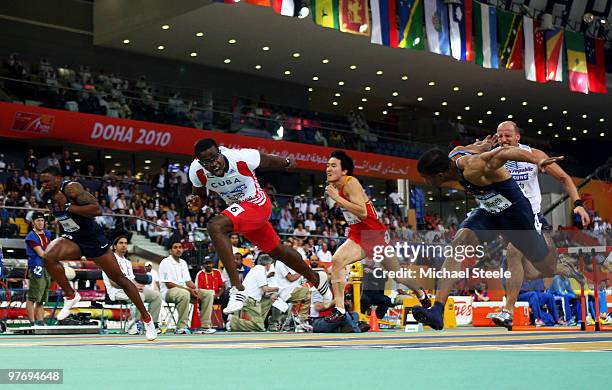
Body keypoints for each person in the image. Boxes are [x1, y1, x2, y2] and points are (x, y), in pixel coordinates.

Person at [410, 135, 563, 330]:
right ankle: (437, 311)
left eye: (426, 178)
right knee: (459, 242)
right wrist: (485, 145)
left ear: (440, 175)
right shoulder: (455, 155)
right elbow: (477, 146)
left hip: (516, 212)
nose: (425, 181)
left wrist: (538, 160)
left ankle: (554, 264)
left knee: (545, 267)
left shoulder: (474, 167)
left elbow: (505, 152)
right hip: (491, 209)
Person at [187, 138, 331, 314]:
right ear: (200, 162)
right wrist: (197, 203)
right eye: (207, 162)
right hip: (241, 214)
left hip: (257, 203)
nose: (214, 164)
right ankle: (317, 278)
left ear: (220, 152)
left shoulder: (240, 158)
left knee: (215, 226)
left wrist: (287, 162)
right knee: (277, 251)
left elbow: (269, 160)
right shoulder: (196, 171)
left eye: (215, 158)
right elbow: (200, 196)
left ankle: (238, 289)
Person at [487, 122, 590, 329]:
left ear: (517, 138)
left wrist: (578, 204)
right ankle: (565, 269)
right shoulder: (493, 157)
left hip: (530, 216)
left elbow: (563, 177)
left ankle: (508, 311)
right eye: (500, 136)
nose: (503, 140)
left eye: (507, 136)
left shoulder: (533, 155)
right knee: (532, 272)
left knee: (513, 250)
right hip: (508, 219)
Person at [38, 166, 157, 340]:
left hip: (93, 238)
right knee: (49, 257)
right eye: (41, 182)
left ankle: (147, 319)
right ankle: (71, 295)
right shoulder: (45, 195)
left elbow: (96, 209)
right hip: (73, 237)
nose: (44, 185)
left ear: (58, 178)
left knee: (120, 279)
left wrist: (70, 207)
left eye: (47, 181)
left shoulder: (72, 188)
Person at [323, 150, 428, 323]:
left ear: (344, 171)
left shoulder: (351, 183)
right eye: (327, 165)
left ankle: (420, 292)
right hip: (358, 235)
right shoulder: (335, 187)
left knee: (399, 276)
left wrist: (337, 199)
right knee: (337, 261)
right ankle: (340, 310)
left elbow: (363, 213)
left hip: (375, 235)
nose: (328, 169)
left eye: (333, 166)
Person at [102, 236, 162, 334]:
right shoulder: (109, 260)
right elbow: (114, 283)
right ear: (114, 246)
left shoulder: (127, 262)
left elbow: (132, 279)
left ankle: (153, 324)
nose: (124, 245)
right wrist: (133, 287)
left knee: (156, 296)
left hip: (130, 289)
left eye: (125, 243)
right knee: (138, 296)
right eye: (121, 243)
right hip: (116, 291)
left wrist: (138, 286)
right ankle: (133, 325)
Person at [159, 241, 216, 334]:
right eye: (175, 247)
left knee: (208, 293)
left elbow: (188, 282)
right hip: (169, 292)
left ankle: (205, 326)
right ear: (170, 250)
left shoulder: (183, 262)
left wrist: (196, 289)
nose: (178, 249)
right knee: (184, 293)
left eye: (180, 247)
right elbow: (169, 284)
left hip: (185, 291)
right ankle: (181, 327)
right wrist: (188, 289)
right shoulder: (165, 262)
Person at [227, 254, 278, 332]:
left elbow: (263, 291)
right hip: (250, 300)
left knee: (270, 299)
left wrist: (272, 295)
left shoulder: (256, 269)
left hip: (249, 298)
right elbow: (265, 289)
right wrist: (277, 288)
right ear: (268, 264)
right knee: (259, 327)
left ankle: (258, 322)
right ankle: (233, 322)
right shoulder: (260, 269)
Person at [24, 212, 52, 326]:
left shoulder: (47, 233)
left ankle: (41, 322)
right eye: (38, 221)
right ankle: (32, 322)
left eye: (42, 220)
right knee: (32, 297)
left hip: (46, 266)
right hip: (37, 267)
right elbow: (41, 253)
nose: (41, 223)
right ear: (33, 223)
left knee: (41, 297)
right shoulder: (31, 236)